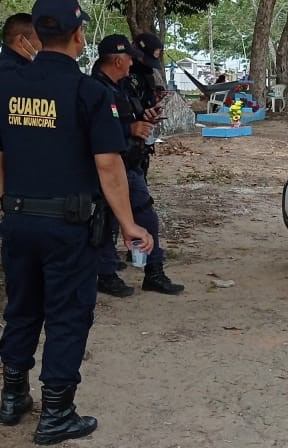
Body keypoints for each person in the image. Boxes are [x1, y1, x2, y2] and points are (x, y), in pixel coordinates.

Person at [0, 0, 153, 444]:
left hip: (18, 219)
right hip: (68, 227)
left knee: (22, 307)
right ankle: (56, 413)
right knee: (67, 315)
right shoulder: (90, 93)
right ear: (79, 36)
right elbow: (108, 166)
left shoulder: (7, 86)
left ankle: (12, 396)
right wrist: (129, 224)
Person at [98, 33, 184, 297]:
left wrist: (143, 117)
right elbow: (96, 130)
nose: (132, 64)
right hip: (111, 165)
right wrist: (130, 128)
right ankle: (108, 274)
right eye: (129, 59)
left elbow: (127, 116)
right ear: (117, 61)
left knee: (141, 213)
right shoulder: (96, 89)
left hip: (130, 162)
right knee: (108, 219)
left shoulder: (122, 86)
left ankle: (151, 270)